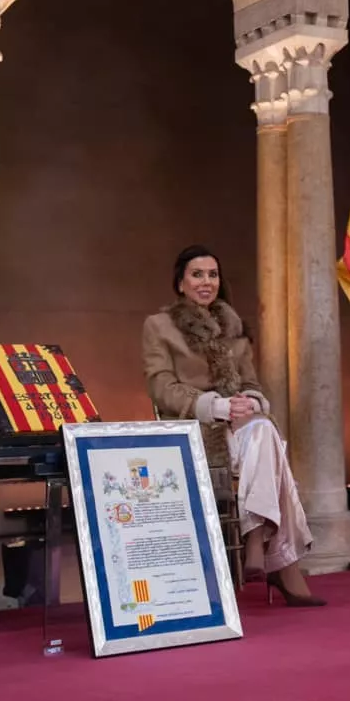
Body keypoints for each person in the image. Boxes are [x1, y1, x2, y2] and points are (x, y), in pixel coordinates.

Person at [142, 245, 323, 607]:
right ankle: (277, 560)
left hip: (242, 429)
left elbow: (252, 383)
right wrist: (216, 405)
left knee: (262, 430)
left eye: (212, 274)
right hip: (194, 429)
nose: (206, 282)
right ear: (180, 283)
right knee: (267, 438)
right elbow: (160, 386)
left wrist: (250, 402)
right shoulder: (159, 326)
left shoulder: (234, 326)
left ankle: (256, 538)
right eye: (197, 274)